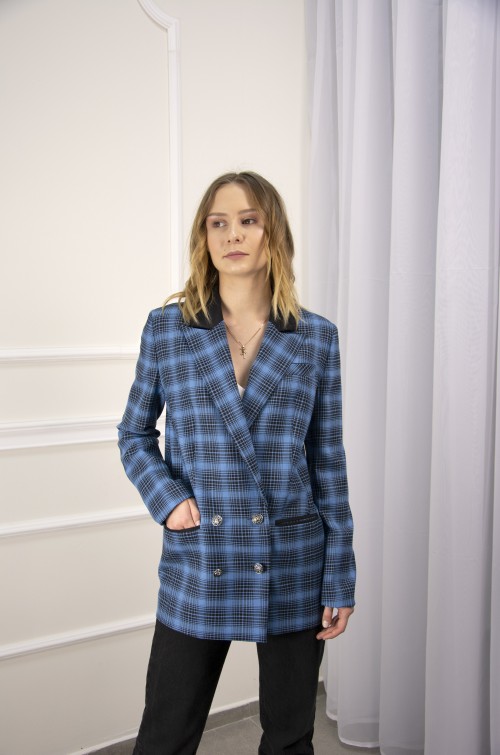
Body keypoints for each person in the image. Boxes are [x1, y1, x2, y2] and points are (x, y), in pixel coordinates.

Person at [117, 171, 356, 755]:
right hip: (200, 557)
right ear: (204, 238)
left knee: (290, 738)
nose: (233, 235)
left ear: (274, 234)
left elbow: (328, 463)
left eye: (249, 220)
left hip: (291, 557)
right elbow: (134, 433)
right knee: (165, 735)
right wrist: (169, 500)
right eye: (218, 223)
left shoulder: (315, 338)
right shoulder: (169, 330)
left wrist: (340, 574)